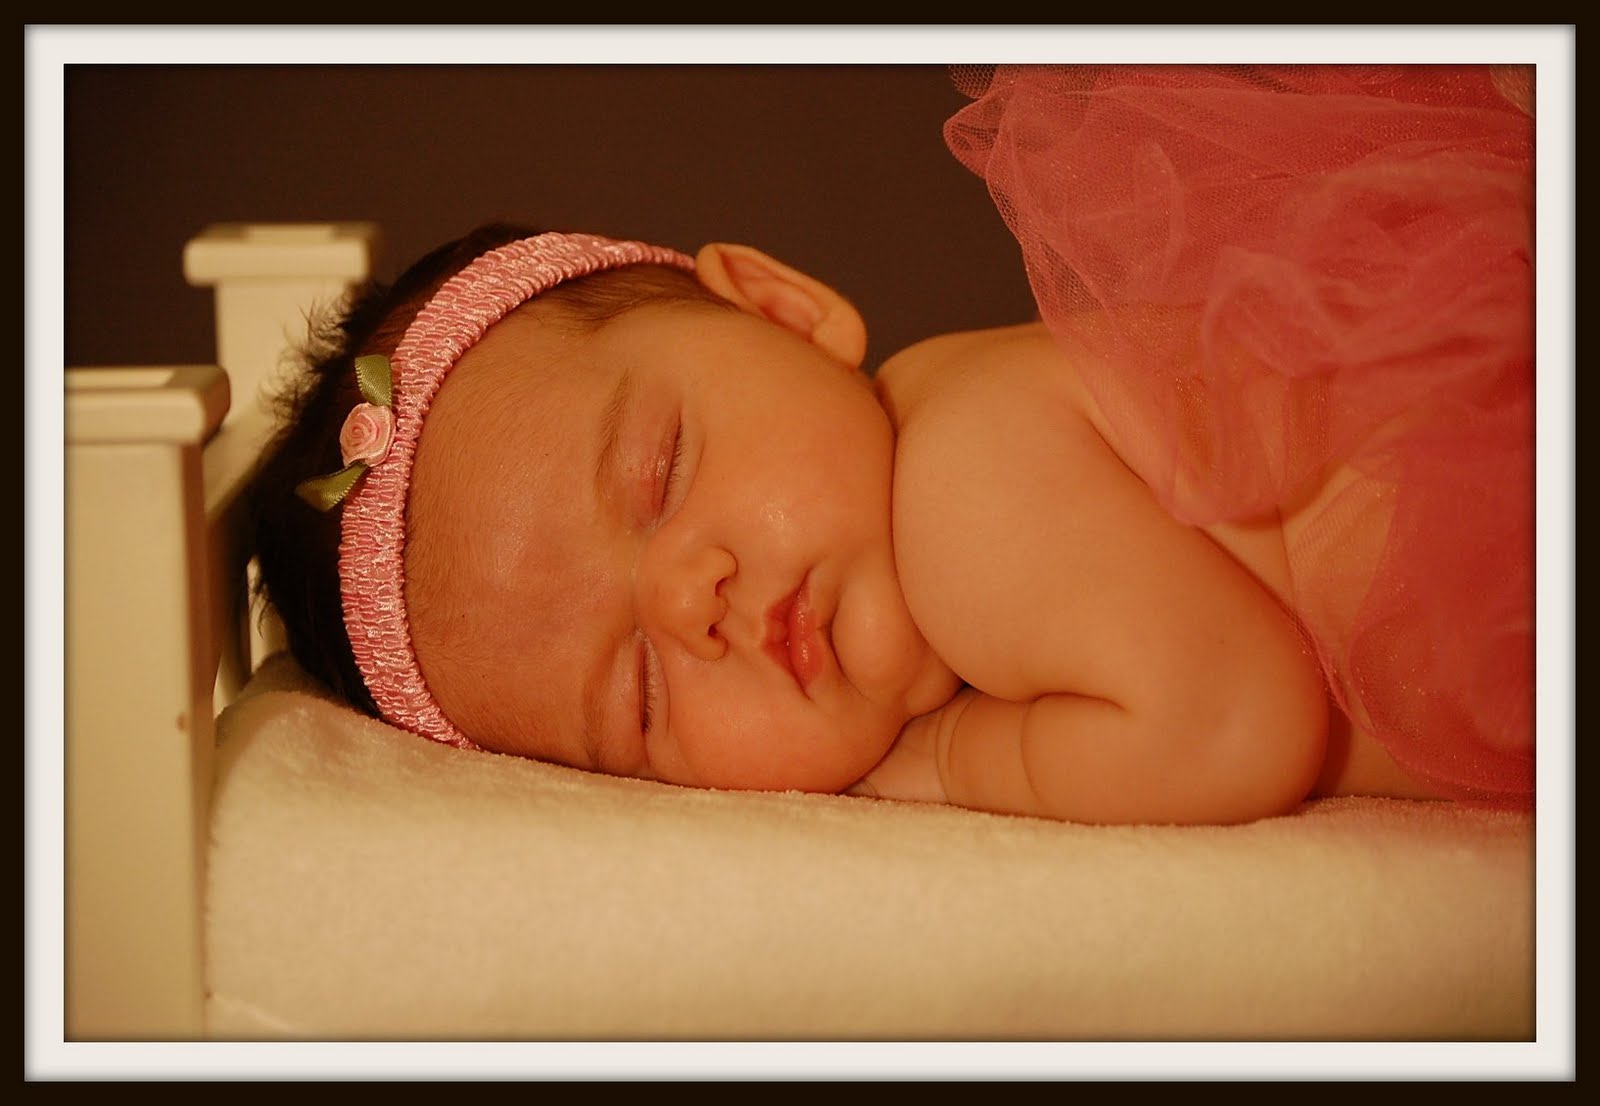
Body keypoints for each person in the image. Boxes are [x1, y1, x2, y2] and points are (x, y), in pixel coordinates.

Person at [250, 64, 1534, 825]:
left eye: (662, 472)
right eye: (637, 693)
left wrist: (959, 763)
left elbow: (1229, 726)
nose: (690, 601)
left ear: (782, 310)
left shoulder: (962, 477)